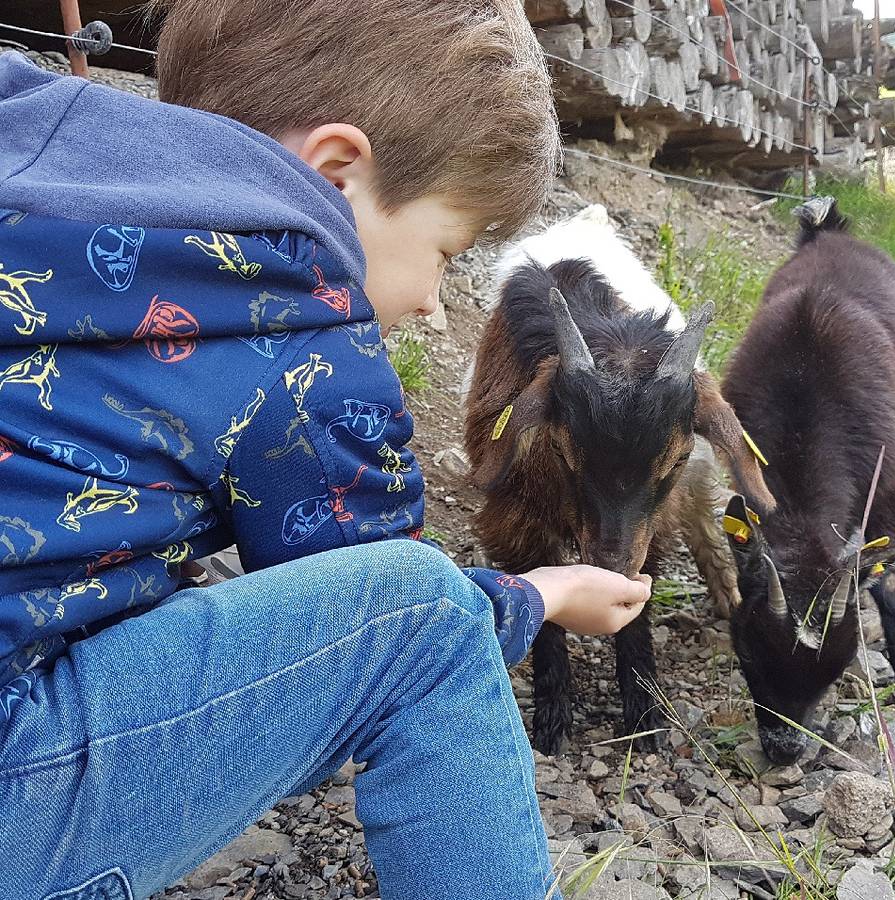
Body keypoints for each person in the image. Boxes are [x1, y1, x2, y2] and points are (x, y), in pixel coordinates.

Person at [0, 2, 651, 898]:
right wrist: (539, 595)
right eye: (445, 250)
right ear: (337, 174)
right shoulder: (303, 325)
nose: (431, 300)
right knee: (420, 622)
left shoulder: (28, 141)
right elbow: (365, 609)